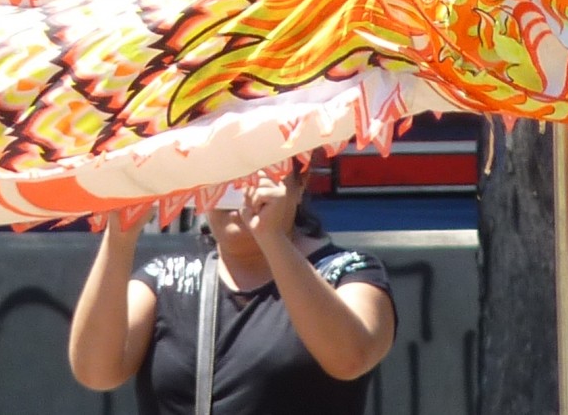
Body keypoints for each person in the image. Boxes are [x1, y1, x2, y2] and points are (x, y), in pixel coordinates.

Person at [68, 161, 396, 414]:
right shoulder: (165, 279)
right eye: (223, 173)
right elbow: (95, 371)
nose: (240, 190)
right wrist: (119, 237)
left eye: (260, 170)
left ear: (300, 183)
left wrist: (271, 237)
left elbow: (350, 357)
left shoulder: (347, 272)